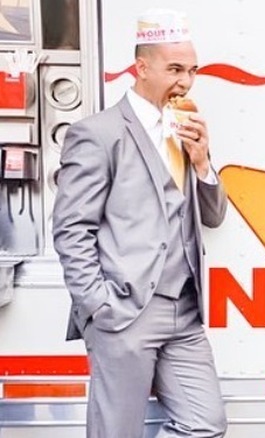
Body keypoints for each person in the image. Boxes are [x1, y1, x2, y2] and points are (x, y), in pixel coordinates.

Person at [52, 9, 228, 437]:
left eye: (191, 70)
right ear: (141, 67)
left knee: (205, 424)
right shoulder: (98, 133)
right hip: (124, 310)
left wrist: (203, 163)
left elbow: (213, 215)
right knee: (116, 431)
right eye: (174, 69)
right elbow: (71, 229)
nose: (185, 81)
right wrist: (99, 305)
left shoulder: (184, 130)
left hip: (184, 312)